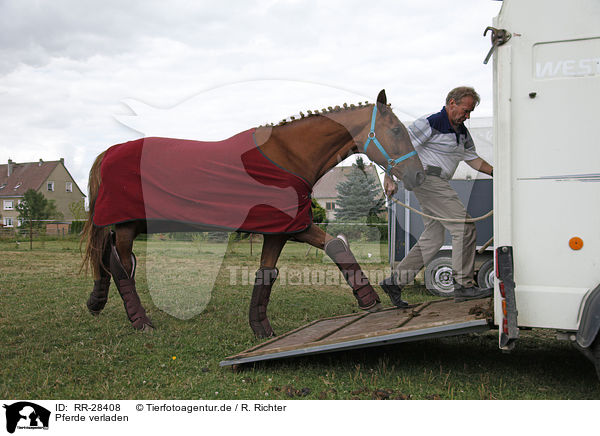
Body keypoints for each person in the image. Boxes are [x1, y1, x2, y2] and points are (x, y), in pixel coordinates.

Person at [381, 86, 493, 306]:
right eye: (465, 109)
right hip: (427, 179)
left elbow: (473, 159)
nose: (467, 115)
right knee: (464, 227)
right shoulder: (430, 123)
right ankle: (463, 285)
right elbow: (399, 147)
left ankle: (395, 281)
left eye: (470, 112)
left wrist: (496, 172)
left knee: (433, 237)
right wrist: (388, 176)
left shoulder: (462, 133)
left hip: (437, 182)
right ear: (452, 103)